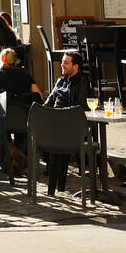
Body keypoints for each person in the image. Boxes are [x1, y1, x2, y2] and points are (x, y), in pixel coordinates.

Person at [0, 46, 42, 170]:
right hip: (23, 119)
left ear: (2, 60)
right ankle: (17, 157)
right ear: (15, 60)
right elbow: (38, 94)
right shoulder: (25, 74)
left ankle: (12, 153)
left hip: (3, 120)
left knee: (0, 127)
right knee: (23, 130)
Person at [43, 52, 90, 192]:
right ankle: (55, 184)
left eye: (66, 63)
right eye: (62, 62)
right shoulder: (60, 81)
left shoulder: (82, 82)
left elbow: (81, 107)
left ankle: (57, 185)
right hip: (56, 122)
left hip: (71, 125)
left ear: (75, 66)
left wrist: (60, 115)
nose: (62, 65)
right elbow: (49, 102)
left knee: (58, 139)